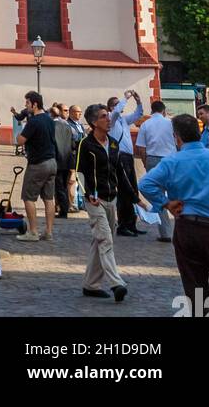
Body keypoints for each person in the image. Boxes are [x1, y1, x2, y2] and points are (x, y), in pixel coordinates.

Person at [139, 113, 209, 317]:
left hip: (188, 227)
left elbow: (145, 184)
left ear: (176, 137)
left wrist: (165, 203)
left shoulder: (172, 161)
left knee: (196, 286)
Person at [75, 103, 150, 302]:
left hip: (111, 198)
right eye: (103, 117)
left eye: (108, 116)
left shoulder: (114, 143)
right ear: (93, 122)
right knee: (106, 239)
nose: (109, 120)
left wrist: (136, 199)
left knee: (99, 241)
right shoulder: (86, 144)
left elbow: (121, 174)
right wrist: (87, 194)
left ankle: (90, 285)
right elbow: (79, 172)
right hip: (95, 201)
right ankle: (117, 283)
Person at [16, 91, 57, 242]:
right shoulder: (49, 119)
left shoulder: (34, 121)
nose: (26, 106)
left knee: (28, 197)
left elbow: (20, 140)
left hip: (38, 163)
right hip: (52, 162)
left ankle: (33, 232)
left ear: (34, 104)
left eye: (27, 103)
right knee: (48, 198)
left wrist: (21, 128)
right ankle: (49, 231)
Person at [135, 100, 177, 243]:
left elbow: (141, 147)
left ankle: (165, 232)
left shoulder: (146, 124)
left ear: (152, 111)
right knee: (175, 192)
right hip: (171, 159)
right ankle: (180, 228)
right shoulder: (171, 123)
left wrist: (145, 162)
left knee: (158, 195)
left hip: (153, 158)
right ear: (164, 111)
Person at [107, 90, 144, 235]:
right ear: (111, 107)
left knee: (133, 189)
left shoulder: (123, 120)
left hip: (128, 157)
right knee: (124, 191)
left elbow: (138, 115)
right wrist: (125, 98)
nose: (119, 106)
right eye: (116, 104)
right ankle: (123, 225)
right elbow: (116, 112)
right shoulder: (112, 118)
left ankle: (131, 223)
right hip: (119, 157)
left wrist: (138, 101)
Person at [50, 104, 74, 219]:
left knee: (59, 186)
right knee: (64, 185)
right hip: (68, 159)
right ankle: (64, 207)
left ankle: (63, 210)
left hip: (57, 159)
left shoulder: (51, 125)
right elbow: (73, 143)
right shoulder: (67, 125)